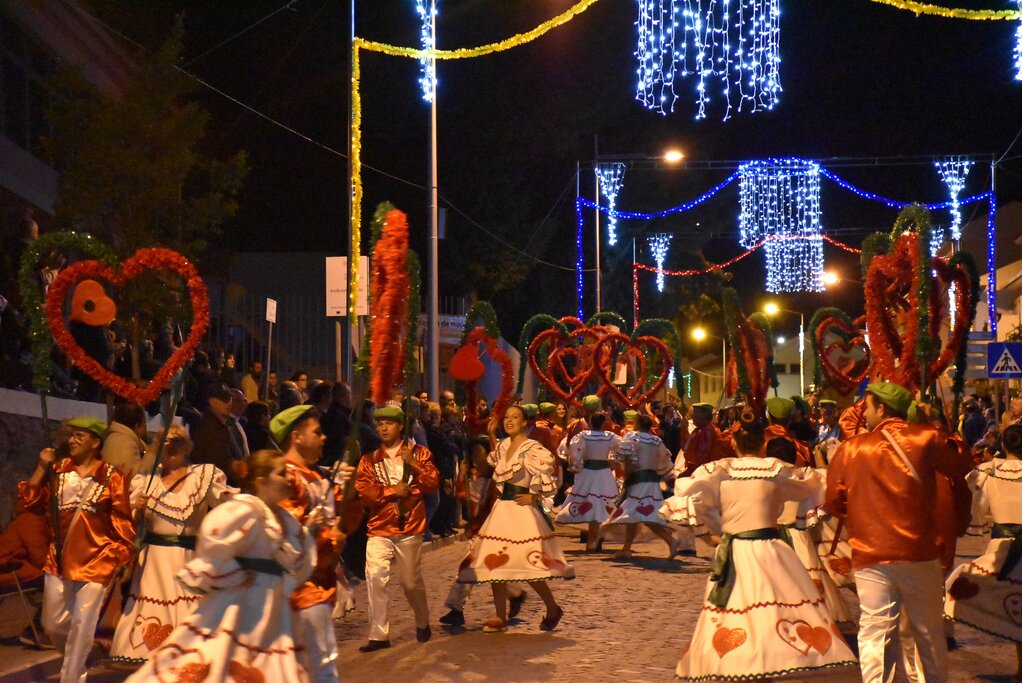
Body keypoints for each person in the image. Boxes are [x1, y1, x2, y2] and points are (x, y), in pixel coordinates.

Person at [674, 411, 857, 680]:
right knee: (772, 609)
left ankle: (741, 663)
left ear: (733, 443)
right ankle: (768, 662)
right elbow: (814, 485)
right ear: (763, 443)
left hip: (735, 550)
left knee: (736, 608)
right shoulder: (776, 470)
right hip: (772, 550)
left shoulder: (719, 471)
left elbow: (690, 499)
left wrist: (711, 532)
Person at [125, 450, 317, 682]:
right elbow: (214, 537)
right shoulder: (246, 509)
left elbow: (298, 562)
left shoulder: (283, 518)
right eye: (281, 473)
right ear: (262, 480)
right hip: (245, 605)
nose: (289, 479)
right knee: (224, 661)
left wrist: (318, 536)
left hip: (273, 609)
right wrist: (234, 574)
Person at [825, 382, 972, 683]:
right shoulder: (925, 437)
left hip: (870, 553)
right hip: (918, 552)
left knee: (875, 630)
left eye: (867, 407)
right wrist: (934, 425)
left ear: (881, 408)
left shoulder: (852, 448)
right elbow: (959, 464)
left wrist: (864, 514)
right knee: (927, 631)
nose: (865, 414)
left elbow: (834, 502)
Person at [19, 417, 135, 683]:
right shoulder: (58, 471)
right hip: (59, 561)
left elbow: (123, 521)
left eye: (78, 436)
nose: (71, 440)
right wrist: (41, 467)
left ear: (94, 442)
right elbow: (29, 504)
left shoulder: (111, 476)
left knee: (83, 626)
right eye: (71, 436)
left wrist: (120, 557)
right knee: (52, 624)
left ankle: (72, 676)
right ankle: (77, 659)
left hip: (97, 561)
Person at [109, 426, 235, 665]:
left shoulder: (204, 475)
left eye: (178, 441)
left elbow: (230, 507)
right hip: (154, 561)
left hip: (189, 558)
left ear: (188, 446)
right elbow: (124, 523)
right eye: (165, 442)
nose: (171, 447)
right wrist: (136, 508)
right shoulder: (146, 480)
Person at [457, 405, 573, 633]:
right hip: (501, 510)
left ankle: (552, 607)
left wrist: (534, 496)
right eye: (507, 417)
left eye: (515, 417)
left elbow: (547, 475)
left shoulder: (532, 448)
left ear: (524, 422)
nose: (509, 420)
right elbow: (494, 465)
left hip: (521, 510)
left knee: (526, 562)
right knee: (494, 562)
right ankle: (500, 616)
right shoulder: (503, 446)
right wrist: (488, 436)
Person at [273, 404, 353, 681]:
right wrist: (329, 537)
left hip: (321, 584)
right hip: (299, 589)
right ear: (296, 437)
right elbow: (289, 534)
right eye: (317, 432)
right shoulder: (285, 477)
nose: (324, 437)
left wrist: (349, 493)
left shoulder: (316, 476)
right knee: (317, 666)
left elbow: (343, 521)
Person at [354, 405, 439, 652]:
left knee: (410, 582)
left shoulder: (420, 453)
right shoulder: (369, 460)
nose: (383, 428)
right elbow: (365, 492)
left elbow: (431, 483)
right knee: (375, 576)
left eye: (389, 423)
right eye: (380, 423)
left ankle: (422, 620)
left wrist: (413, 463)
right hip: (379, 527)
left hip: (410, 526)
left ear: (401, 426)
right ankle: (378, 634)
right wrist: (392, 491)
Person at [946, 423, 1022, 675]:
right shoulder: (988, 471)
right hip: (1007, 550)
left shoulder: (988, 472)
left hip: (1001, 549)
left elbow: (974, 506)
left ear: (1003, 445)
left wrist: (980, 519)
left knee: (956, 586)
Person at [603, 414, 678, 559]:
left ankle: (671, 541)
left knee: (637, 513)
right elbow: (665, 460)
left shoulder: (632, 437)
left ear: (637, 424)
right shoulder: (656, 441)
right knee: (635, 514)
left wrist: (623, 466)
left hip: (638, 480)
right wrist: (666, 476)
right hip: (652, 481)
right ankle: (626, 548)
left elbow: (623, 454)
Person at [555, 412, 621, 551]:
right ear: (603, 423)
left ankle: (592, 540)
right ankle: (596, 539)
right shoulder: (610, 436)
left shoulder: (583, 436)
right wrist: (614, 460)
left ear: (590, 422)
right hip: (604, 474)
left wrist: (576, 465)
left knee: (592, 503)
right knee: (601, 504)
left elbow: (574, 451)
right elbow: (623, 447)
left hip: (588, 473)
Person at [191, 383, 245, 486]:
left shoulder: (224, 423)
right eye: (224, 400)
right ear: (212, 402)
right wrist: (236, 467)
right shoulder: (208, 427)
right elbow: (217, 460)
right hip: (215, 484)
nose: (229, 403)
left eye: (230, 398)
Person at [102, 402, 152, 477]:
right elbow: (134, 476)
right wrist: (153, 453)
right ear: (137, 426)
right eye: (144, 425)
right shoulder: (126, 443)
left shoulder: (114, 437)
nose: (145, 430)